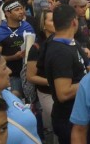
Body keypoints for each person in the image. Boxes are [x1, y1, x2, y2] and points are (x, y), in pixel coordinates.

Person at [43, 4, 89, 144]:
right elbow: (63, 93)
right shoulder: (60, 51)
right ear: (74, 22)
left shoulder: (70, 43)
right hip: (69, 120)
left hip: (79, 117)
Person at [0, 0, 34, 97]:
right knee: (15, 96)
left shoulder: (27, 26)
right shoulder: (0, 32)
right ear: (7, 13)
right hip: (13, 75)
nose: (21, 11)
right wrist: (13, 57)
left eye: (21, 9)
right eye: (17, 10)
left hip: (30, 72)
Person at [26, 9, 55, 144]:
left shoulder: (64, 41)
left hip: (67, 91)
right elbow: (31, 76)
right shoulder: (37, 47)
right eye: (51, 20)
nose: (56, 22)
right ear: (43, 25)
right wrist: (53, 82)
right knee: (57, 126)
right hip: (47, 93)